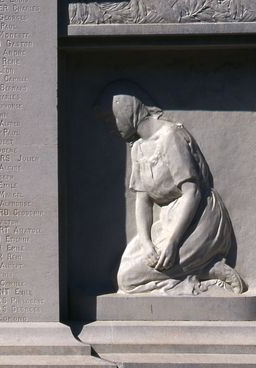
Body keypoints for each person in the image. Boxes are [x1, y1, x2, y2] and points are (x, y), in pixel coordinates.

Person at [97, 80, 245, 295]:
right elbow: (143, 201)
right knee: (125, 278)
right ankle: (200, 270)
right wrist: (147, 243)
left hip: (197, 219)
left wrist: (173, 241)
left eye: (112, 119)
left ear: (126, 110)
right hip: (167, 220)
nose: (111, 127)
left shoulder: (170, 136)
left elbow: (192, 192)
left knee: (134, 276)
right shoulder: (138, 148)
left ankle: (207, 267)